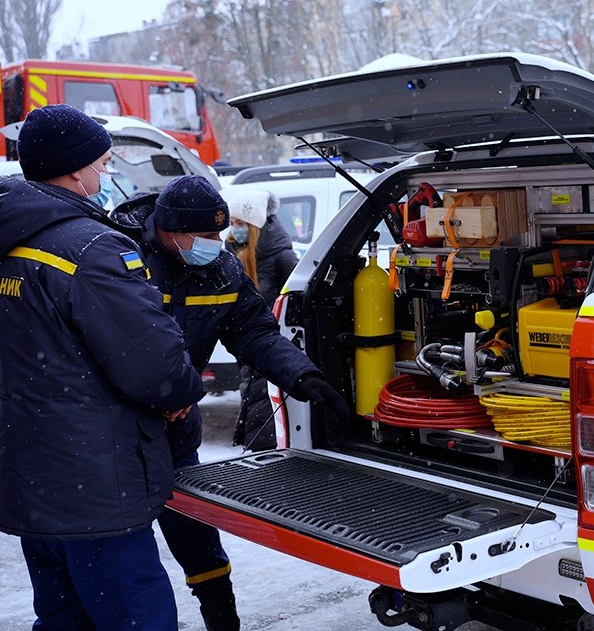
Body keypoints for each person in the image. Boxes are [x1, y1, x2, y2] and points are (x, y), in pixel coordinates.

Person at [110, 176, 349, 631]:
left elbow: (253, 332)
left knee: (193, 524)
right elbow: (108, 345)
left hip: (178, 427)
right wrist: (157, 396)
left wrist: (300, 374)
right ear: (170, 229)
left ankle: (221, 612)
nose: (219, 244)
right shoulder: (120, 260)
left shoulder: (221, 270)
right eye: (206, 236)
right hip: (122, 430)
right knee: (125, 543)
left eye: (221, 233)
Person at [0, 105, 203, 629]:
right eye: (104, 163)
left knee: (65, 618)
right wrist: (178, 393)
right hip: (96, 490)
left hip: (32, 482)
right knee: (135, 618)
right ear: (75, 170)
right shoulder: (89, 247)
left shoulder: (10, 242)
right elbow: (155, 366)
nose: (106, 174)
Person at [224, 190, 299, 450]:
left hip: (269, 345)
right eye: (232, 223)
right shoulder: (235, 252)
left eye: (241, 223)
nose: (235, 230)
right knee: (255, 401)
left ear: (256, 225)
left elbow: (296, 305)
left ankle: (263, 452)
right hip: (246, 347)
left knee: (265, 406)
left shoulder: (283, 257)